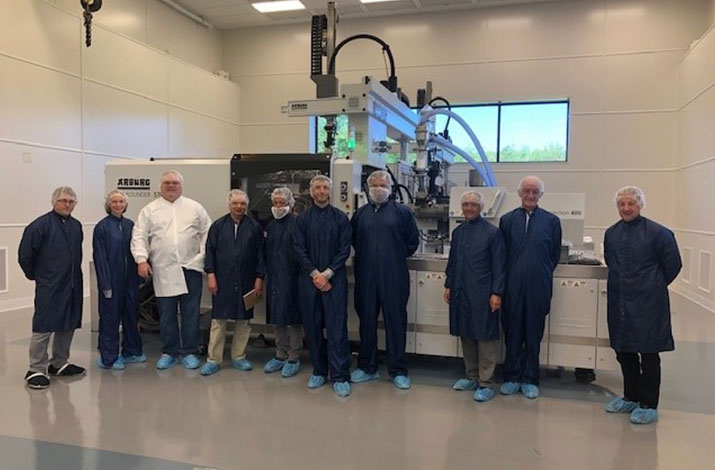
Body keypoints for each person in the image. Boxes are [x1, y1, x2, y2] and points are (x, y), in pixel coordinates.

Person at [603, 186, 681, 425]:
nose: (626, 208)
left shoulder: (659, 234)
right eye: (622, 204)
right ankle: (630, 396)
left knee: (648, 352)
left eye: (631, 204)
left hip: (649, 303)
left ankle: (648, 404)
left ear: (640, 205)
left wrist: (652, 286)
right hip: (619, 300)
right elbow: (610, 262)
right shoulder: (611, 233)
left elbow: (673, 266)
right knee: (623, 350)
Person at [131, 170, 211, 370]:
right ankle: (169, 352)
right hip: (163, 269)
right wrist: (141, 260)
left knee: (190, 313)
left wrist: (200, 259)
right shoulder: (150, 210)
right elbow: (139, 236)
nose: (171, 186)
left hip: (191, 268)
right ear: (160, 186)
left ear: (181, 185)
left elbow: (208, 234)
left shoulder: (195, 208)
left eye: (175, 183)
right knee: (166, 314)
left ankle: (189, 351)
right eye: (167, 183)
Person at [350, 170, 419, 390]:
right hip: (366, 276)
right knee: (367, 321)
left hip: (394, 276)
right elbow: (353, 241)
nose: (378, 188)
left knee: (396, 322)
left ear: (390, 189)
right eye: (375, 185)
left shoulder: (402, 213)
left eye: (383, 185)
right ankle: (367, 367)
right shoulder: (360, 215)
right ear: (368, 188)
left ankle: (398, 370)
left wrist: (392, 256)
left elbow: (412, 242)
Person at [499, 176, 561, 399]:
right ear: (519, 193)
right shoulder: (507, 221)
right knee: (512, 331)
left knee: (534, 333)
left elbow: (553, 255)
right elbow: (501, 256)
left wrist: (538, 272)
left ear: (541, 195)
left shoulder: (552, 222)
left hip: (538, 286)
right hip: (512, 286)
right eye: (527, 191)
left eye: (535, 191)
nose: (531, 195)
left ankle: (530, 378)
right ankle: (511, 376)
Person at [19, 187, 85, 389]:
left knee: (68, 323)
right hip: (50, 284)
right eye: (63, 200)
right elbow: (25, 256)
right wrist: (39, 277)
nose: (67, 204)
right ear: (54, 202)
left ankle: (59, 363)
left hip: (73, 282)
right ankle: (36, 368)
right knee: (44, 324)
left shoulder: (76, 226)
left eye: (71, 201)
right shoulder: (40, 226)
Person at [293, 175, 352, 397]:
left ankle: (340, 375)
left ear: (330, 191)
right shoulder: (302, 220)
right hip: (309, 281)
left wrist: (327, 273)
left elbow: (344, 249)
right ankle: (319, 370)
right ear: (311, 191)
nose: (321, 191)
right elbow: (298, 249)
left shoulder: (340, 219)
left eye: (325, 187)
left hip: (334, 280)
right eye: (317, 187)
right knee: (313, 326)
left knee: (336, 328)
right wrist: (315, 274)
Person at [444, 191, 505, 402]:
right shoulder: (458, 232)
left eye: (473, 205)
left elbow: (499, 265)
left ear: (481, 208)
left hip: (483, 293)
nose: (469, 208)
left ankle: (486, 382)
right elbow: (452, 262)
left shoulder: (492, 233)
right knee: (466, 333)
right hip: (461, 291)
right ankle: (471, 376)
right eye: (466, 204)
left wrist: (497, 292)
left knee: (484, 336)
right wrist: (448, 285)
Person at [200, 190, 265, 376]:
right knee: (218, 320)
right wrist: (211, 275)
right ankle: (214, 359)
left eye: (242, 204)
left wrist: (259, 279)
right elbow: (209, 252)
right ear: (229, 204)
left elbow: (261, 256)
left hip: (248, 281)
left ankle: (239, 356)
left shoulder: (254, 227)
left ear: (247, 205)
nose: (239, 207)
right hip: (222, 280)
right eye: (235, 203)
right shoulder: (218, 226)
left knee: (244, 321)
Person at [93, 190, 145, 370]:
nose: (118, 204)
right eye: (114, 201)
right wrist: (105, 284)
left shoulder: (131, 225)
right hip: (112, 282)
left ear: (125, 204)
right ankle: (108, 357)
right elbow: (100, 257)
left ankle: (131, 351)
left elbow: (138, 249)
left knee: (131, 315)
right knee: (110, 318)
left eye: (121, 201)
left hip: (130, 280)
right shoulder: (102, 227)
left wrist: (140, 278)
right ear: (108, 204)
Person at [263, 187, 303, 378]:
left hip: (293, 278)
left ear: (290, 204)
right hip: (274, 278)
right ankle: (280, 354)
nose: (279, 206)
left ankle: (294, 356)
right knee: (277, 316)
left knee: (293, 318)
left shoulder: (297, 224)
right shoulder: (270, 226)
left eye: (283, 203)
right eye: (276, 203)